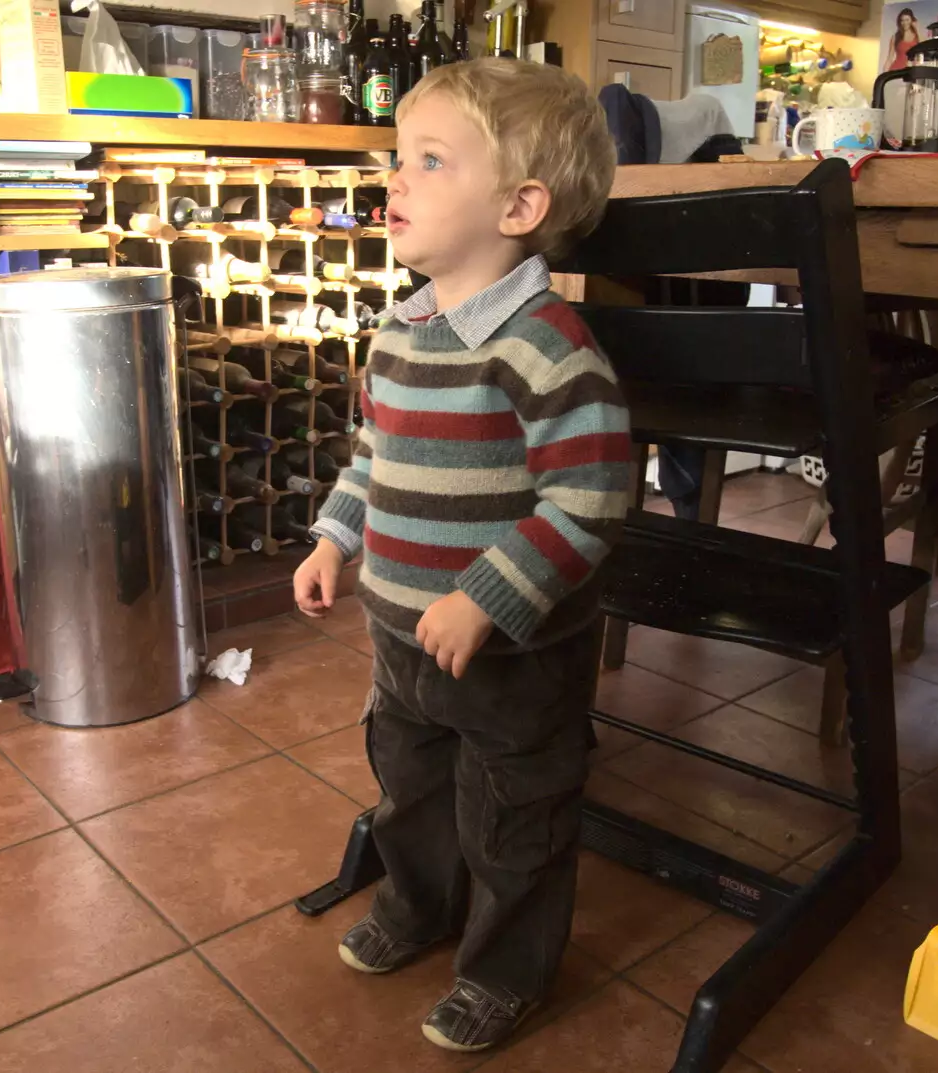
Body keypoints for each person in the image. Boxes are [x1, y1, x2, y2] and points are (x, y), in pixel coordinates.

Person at [293, 57, 629, 1054]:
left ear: (521, 204)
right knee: (409, 788)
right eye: (398, 159)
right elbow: (374, 454)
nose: (394, 180)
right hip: (399, 633)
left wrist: (488, 594)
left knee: (516, 817)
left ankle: (503, 969)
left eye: (429, 160)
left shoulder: (545, 345)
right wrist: (332, 533)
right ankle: (417, 906)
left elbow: (593, 492)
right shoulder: (399, 334)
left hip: (513, 652)